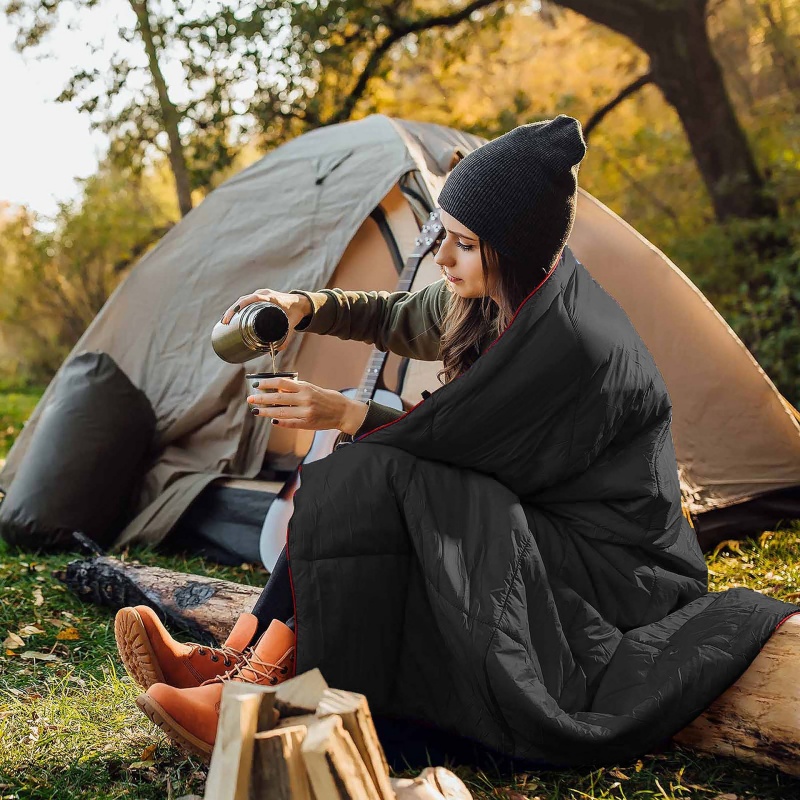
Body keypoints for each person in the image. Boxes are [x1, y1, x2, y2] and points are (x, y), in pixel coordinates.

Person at [114, 115, 590, 758]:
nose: (443, 259)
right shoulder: (477, 303)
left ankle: (257, 690)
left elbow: (479, 457)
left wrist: (344, 414)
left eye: (465, 244)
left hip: (547, 555)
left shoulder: (556, 345)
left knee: (367, 475)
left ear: (517, 249)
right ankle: (232, 662)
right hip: (485, 516)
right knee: (357, 472)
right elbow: (390, 314)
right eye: (444, 237)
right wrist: (303, 304)